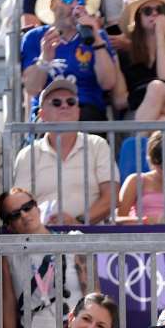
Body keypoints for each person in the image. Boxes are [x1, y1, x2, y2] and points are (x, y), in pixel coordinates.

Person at [0, 188, 88, 328]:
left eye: (27, 207)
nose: (24, 215)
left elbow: (93, 294)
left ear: (37, 208)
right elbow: (8, 306)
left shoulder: (74, 240)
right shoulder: (9, 254)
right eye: (15, 214)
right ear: (9, 225)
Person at [11, 79, 118, 225]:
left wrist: (79, 222)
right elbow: (20, 205)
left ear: (78, 111)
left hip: (90, 238)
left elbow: (111, 197)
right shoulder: (27, 154)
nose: (64, 106)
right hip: (42, 238)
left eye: (71, 102)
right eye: (56, 102)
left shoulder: (98, 145)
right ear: (42, 115)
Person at [22, 0, 120, 121]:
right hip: (46, 111)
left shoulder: (97, 36)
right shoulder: (34, 37)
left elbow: (108, 83)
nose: (75, 5)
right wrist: (45, 58)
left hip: (86, 110)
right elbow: (32, 89)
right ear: (53, 5)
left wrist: (96, 39)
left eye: (81, 1)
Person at [119, 0, 165, 121]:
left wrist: (160, 36)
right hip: (137, 111)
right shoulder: (124, 56)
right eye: (147, 11)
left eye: (160, 10)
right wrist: (150, 89)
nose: (154, 14)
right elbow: (118, 101)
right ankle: (144, 139)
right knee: (163, 121)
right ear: (138, 18)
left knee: (157, 87)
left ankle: (137, 140)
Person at [116, 130, 165, 223]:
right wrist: (151, 220)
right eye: (163, 168)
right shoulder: (136, 181)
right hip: (139, 237)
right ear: (151, 162)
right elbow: (117, 220)